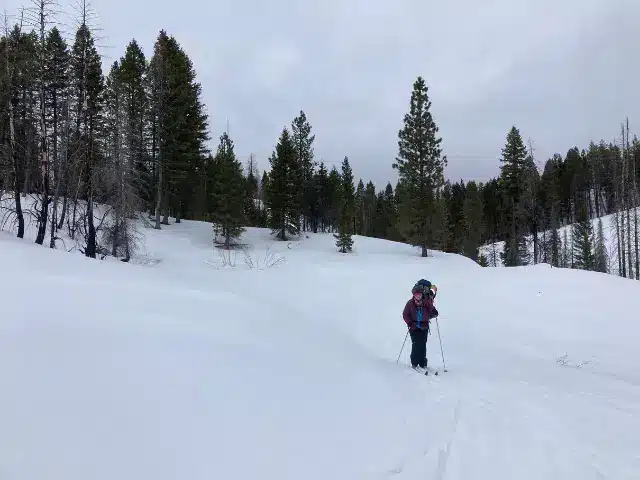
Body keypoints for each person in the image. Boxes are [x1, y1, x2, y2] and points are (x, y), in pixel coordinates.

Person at [402, 281, 438, 369]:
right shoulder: (410, 303)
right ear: (414, 295)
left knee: (422, 345)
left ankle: (422, 363)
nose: (418, 296)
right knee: (416, 344)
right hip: (413, 327)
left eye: (419, 294)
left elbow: (433, 312)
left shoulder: (426, 302)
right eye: (416, 294)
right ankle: (414, 362)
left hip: (424, 327)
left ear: (422, 294)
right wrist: (410, 323)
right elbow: (405, 314)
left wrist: (434, 313)